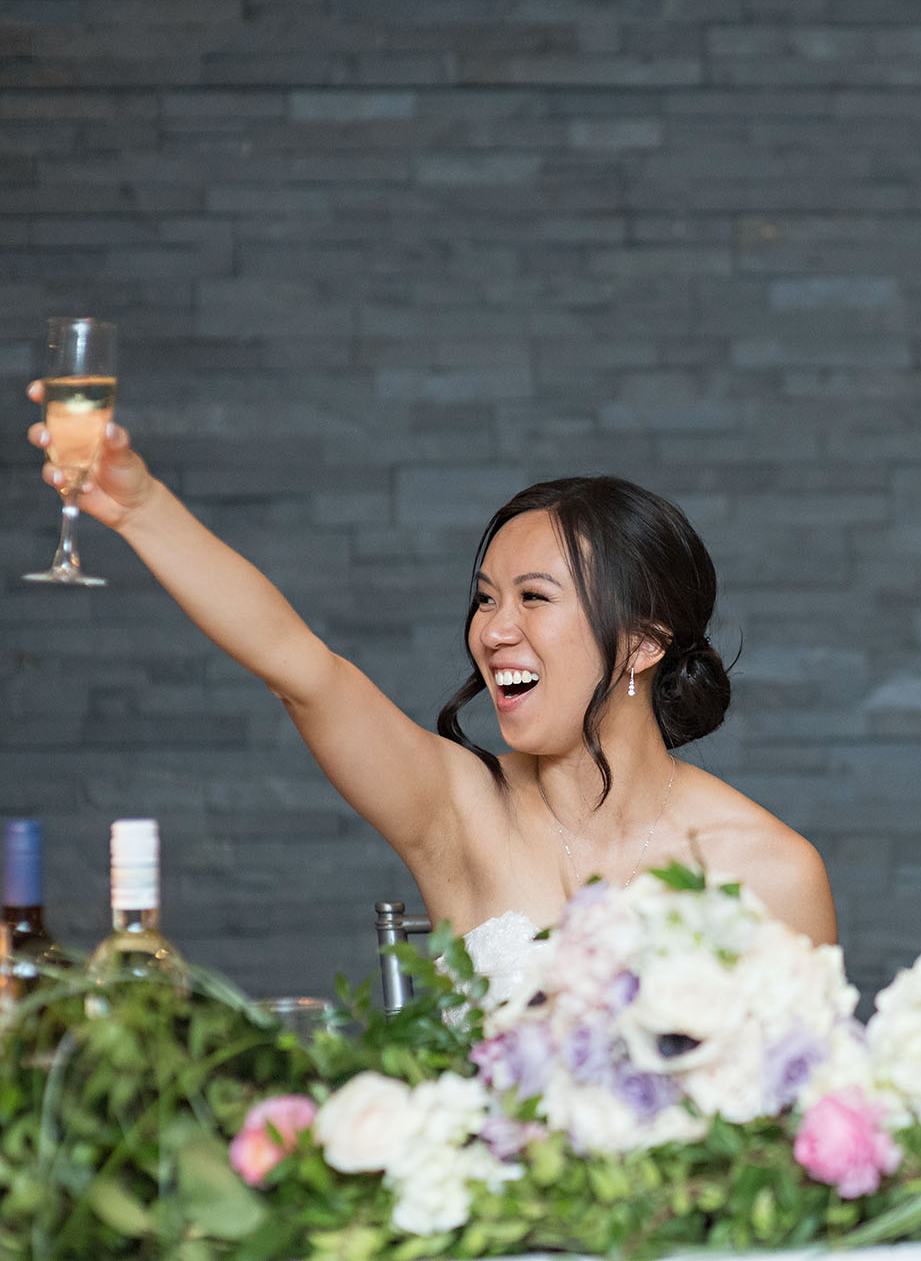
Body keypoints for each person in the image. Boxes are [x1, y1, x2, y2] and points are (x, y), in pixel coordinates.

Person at [25, 387, 837, 1001]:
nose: (494, 630)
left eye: (534, 597)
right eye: (486, 598)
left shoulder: (773, 872)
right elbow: (301, 669)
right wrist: (138, 509)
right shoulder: (458, 811)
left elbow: (812, 1128)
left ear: (643, 641)